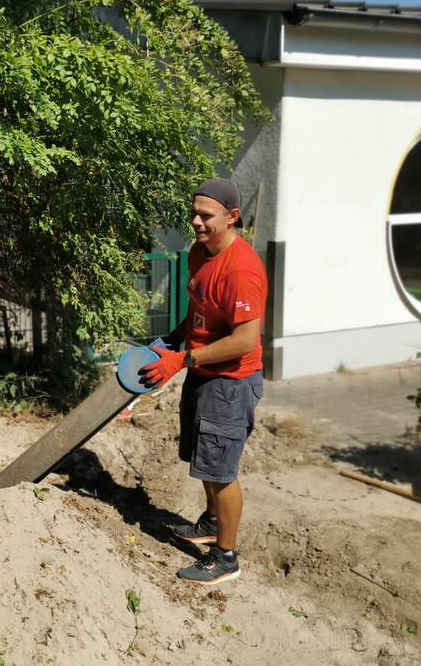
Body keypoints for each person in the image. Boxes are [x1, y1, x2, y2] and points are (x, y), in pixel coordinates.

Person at [139, 178, 267, 586]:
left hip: (231, 382)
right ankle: (212, 522)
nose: (196, 221)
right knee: (206, 461)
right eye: (193, 213)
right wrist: (174, 339)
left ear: (232, 217)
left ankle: (225, 557)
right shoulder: (199, 252)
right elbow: (200, 309)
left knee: (221, 472)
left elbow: (244, 339)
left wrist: (181, 360)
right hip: (203, 372)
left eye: (206, 215)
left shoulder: (242, 270)